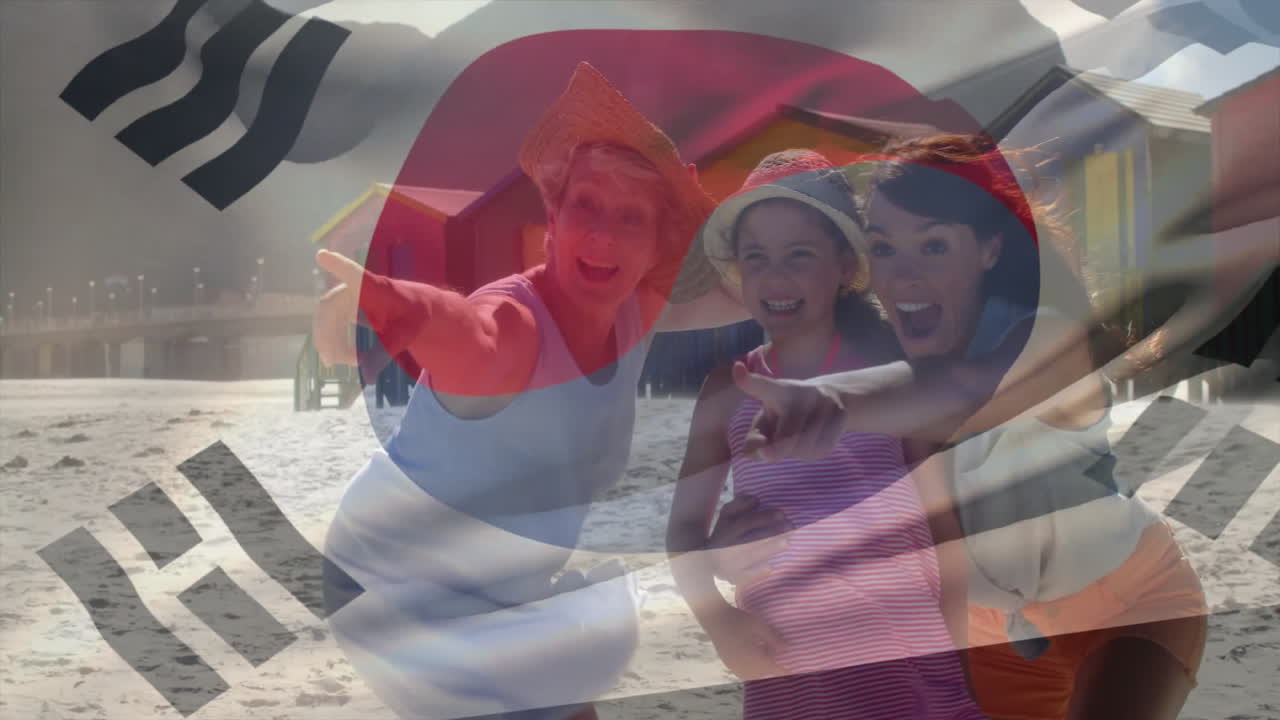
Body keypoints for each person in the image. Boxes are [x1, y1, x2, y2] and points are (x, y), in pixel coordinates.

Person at [717, 134, 1209, 720]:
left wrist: (832, 403)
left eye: (934, 246)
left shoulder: (1046, 334)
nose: (905, 276)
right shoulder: (867, 357)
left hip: (1128, 604)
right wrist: (735, 554)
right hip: (985, 634)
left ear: (989, 249)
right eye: (886, 250)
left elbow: (954, 396)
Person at [318, 62, 751, 720]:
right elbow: (468, 332)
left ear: (656, 242)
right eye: (587, 205)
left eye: (630, 218)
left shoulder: (635, 308)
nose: (604, 233)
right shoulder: (517, 325)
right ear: (553, 213)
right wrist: (385, 304)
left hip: (506, 577)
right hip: (397, 579)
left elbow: (736, 277)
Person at [666, 150, 985, 719]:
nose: (776, 276)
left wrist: (957, 666)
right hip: (786, 676)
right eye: (756, 258)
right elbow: (684, 530)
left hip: (907, 671)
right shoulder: (726, 392)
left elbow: (945, 532)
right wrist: (720, 624)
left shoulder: (894, 375)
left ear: (843, 264)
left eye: (799, 254)